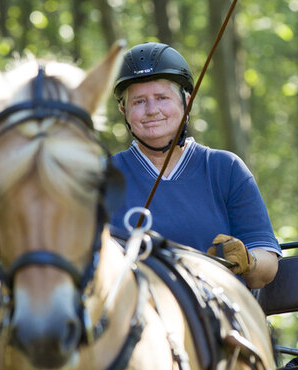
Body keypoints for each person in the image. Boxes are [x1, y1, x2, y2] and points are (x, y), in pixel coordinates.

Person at [109, 42, 281, 289]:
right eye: (139, 102)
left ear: (186, 102)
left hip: (216, 317)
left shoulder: (226, 168)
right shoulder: (101, 176)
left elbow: (267, 267)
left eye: (162, 98)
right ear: (124, 110)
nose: (152, 110)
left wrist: (249, 261)